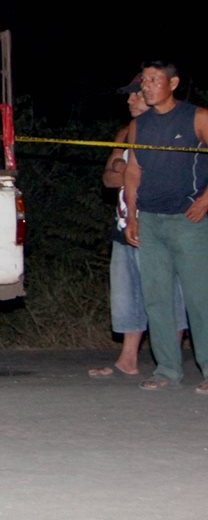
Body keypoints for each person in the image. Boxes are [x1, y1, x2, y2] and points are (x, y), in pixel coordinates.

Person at [89, 74, 186, 378]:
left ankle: (168, 364)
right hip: (124, 225)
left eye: (136, 94)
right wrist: (125, 170)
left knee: (166, 295)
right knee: (126, 295)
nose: (130, 100)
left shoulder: (173, 131)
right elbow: (109, 178)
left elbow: (163, 179)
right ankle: (127, 360)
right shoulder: (124, 133)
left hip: (159, 224)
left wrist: (126, 168)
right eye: (130, 94)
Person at [124, 60, 208, 393]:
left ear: (172, 83)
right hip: (152, 221)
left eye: (154, 80)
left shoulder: (197, 116)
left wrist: (205, 200)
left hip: (188, 221)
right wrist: (132, 216)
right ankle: (167, 369)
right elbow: (133, 171)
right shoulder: (139, 125)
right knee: (156, 299)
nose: (146, 86)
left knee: (199, 299)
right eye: (143, 81)